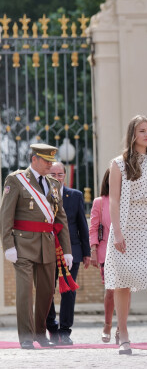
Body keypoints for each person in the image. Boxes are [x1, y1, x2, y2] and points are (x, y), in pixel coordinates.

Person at [105, 115, 147, 355]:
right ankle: (123, 335)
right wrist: (118, 233)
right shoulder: (118, 164)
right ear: (133, 134)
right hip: (126, 227)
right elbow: (113, 200)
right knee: (123, 281)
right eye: (142, 130)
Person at [1, 143, 73, 349]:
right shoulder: (16, 180)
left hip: (47, 245)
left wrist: (66, 250)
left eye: (52, 161)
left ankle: (40, 334)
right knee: (24, 291)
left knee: (46, 292)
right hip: (22, 244)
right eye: (47, 161)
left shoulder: (54, 184)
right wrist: (8, 245)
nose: (51, 165)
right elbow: (5, 215)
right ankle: (25, 336)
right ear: (34, 159)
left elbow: (61, 219)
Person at [46, 162, 91, 345]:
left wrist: (87, 252)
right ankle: (52, 328)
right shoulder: (43, 195)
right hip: (48, 250)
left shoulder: (75, 195)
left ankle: (65, 331)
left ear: (65, 175)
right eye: (53, 174)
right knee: (47, 291)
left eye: (60, 174)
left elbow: (82, 224)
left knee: (69, 291)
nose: (57, 177)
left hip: (72, 250)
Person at [89, 168, 119, 344]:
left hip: (126, 251)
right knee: (110, 291)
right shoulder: (99, 202)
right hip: (105, 252)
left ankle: (120, 328)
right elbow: (93, 228)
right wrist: (93, 250)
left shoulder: (128, 201)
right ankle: (108, 324)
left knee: (124, 291)